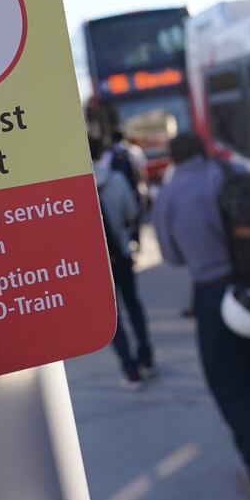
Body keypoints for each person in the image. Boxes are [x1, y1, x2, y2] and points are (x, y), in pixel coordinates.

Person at [152, 132, 250, 500]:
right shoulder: (230, 172)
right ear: (203, 150)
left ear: (173, 159)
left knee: (229, 383)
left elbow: (172, 256)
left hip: (214, 294)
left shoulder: (169, 196)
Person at [92, 138, 154, 389]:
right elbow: (132, 213)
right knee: (133, 304)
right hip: (122, 254)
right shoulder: (115, 179)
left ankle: (130, 371)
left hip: (97, 265)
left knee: (112, 317)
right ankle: (147, 358)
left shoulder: (69, 187)